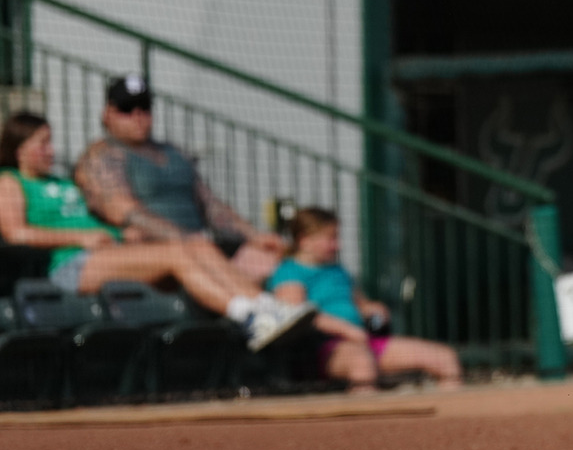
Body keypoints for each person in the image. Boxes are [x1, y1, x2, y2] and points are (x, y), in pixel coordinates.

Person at [0, 111, 313, 350]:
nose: (51, 150)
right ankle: (248, 316)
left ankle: (268, 307)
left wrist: (121, 234)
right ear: (20, 148)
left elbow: (91, 222)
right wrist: (80, 238)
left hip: (107, 253)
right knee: (177, 253)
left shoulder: (61, 182)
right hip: (70, 265)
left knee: (197, 245)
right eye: (42, 143)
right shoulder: (10, 181)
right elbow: (16, 233)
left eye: (50, 141)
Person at [73, 76, 288, 281]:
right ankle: (251, 302)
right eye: (127, 109)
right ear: (107, 114)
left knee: (272, 258)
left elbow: (211, 205)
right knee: (205, 262)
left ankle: (260, 302)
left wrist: (254, 236)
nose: (138, 117)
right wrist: (187, 240)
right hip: (152, 251)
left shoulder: (173, 152)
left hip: (201, 248)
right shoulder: (101, 155)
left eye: (144, 108)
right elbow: (122, 212)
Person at [269, 207, 462, 392]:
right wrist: (348, 331)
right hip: (324, 349)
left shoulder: (338, 270)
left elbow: (360, 303)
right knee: (362, 366)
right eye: (330, 238)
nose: (337, 245)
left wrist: (372, 309)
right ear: (305, 240)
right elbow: (297, 316)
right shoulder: (288, 272)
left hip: (365, 342)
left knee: (444, 358)